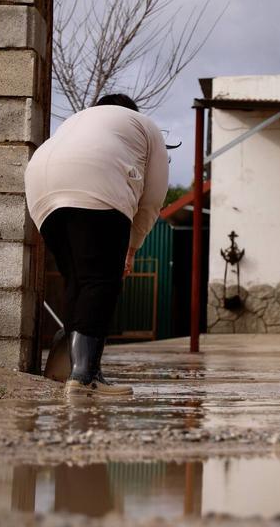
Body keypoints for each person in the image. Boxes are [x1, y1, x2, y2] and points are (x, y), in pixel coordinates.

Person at [24, 94, 169, 396]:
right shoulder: (144, 125)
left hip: (40, 185)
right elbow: (154, 197)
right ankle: (85, 376)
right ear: (130, 111)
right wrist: (131, 248)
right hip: (96, 180)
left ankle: (74, 368)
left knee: (78, 279)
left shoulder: (77, 121)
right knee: (101, 281)